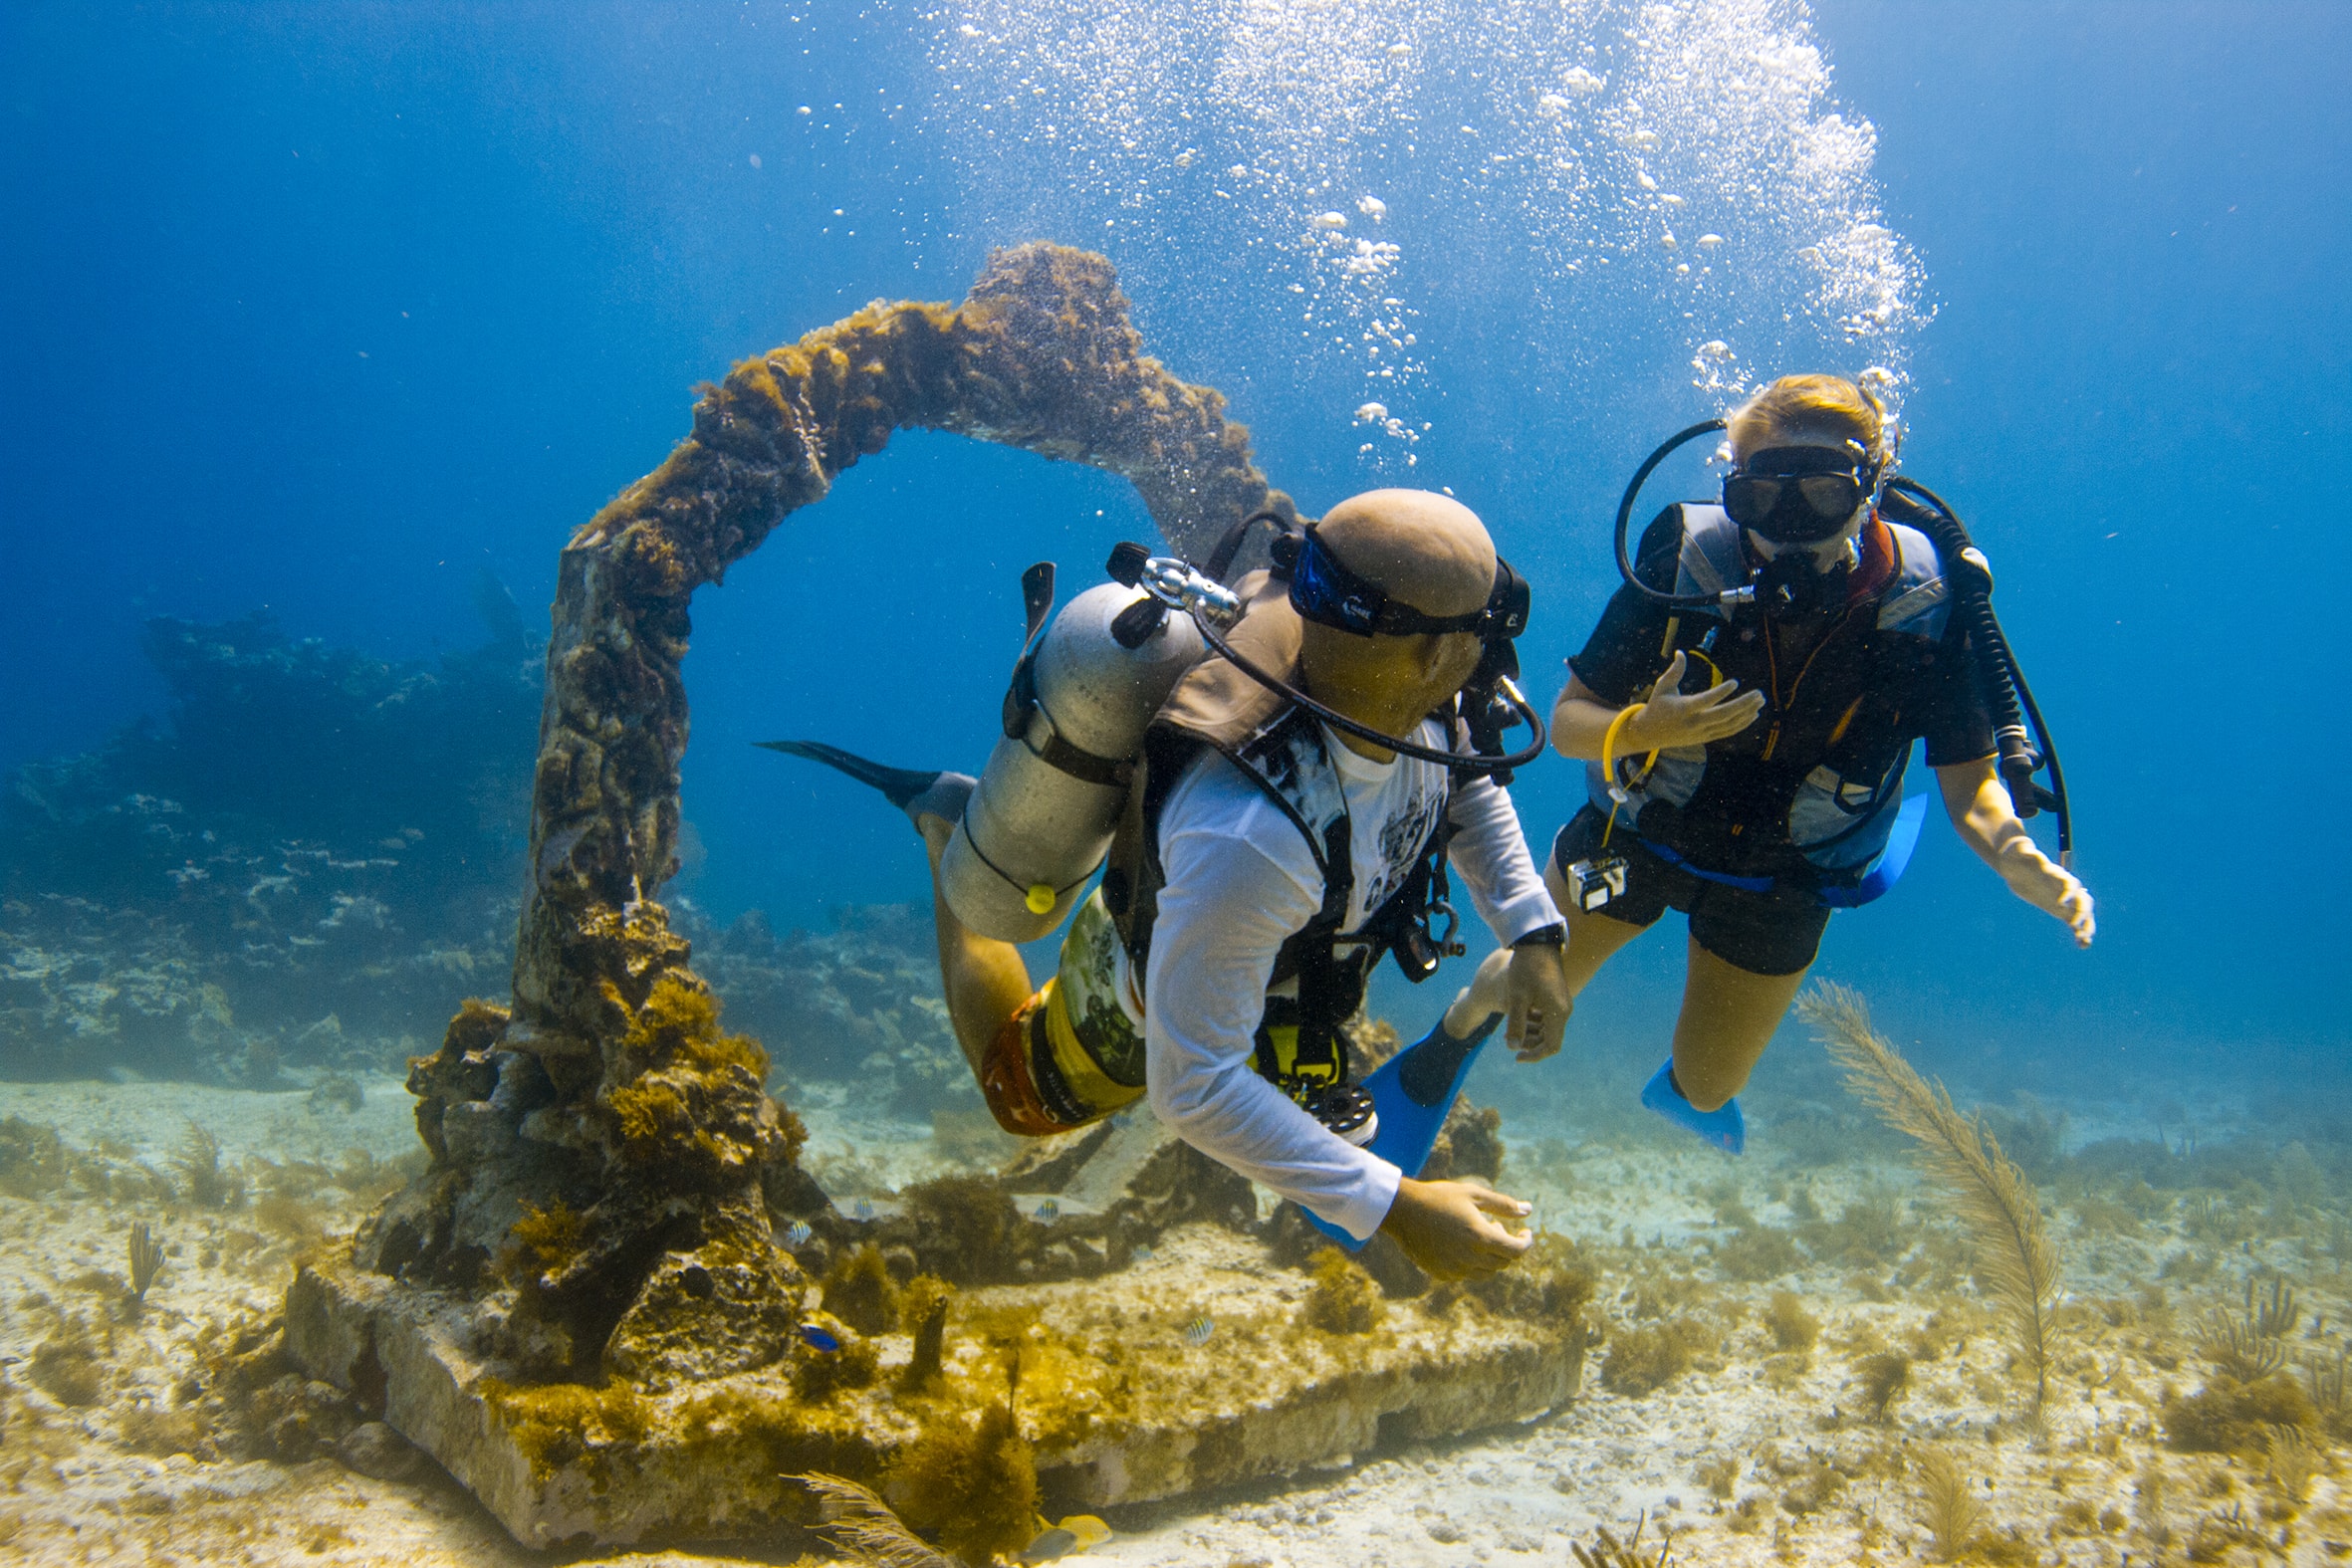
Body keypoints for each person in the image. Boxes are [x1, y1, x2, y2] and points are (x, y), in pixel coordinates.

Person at [795, 491, 1574, 1279]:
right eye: (1480, 632)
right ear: (1434, 656)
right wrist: (1399, 1208)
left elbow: (1468, 776)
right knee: (1016, 1090)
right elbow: (1193, 1085)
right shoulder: (1251, 838)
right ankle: (947, 833)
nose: (1486, 659)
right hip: (1169, 968)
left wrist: (1533, 929)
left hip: (1285, 960)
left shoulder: (1416, 695)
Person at [1537, 374, 2095, 1152]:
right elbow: (1566, 723)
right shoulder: (1686, 552)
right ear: (1732, 491)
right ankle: (1450, 1045)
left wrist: (2012, 855)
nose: (1790, 528)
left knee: (1707, 1085)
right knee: (1522, 996)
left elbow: (1971, 787)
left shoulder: (1933, 596)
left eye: (1825, 495)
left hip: (1784, 875)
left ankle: (1687, 1091)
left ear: (1870, 486)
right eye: (1763, 499)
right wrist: (1640, 726)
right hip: (1636, 829)